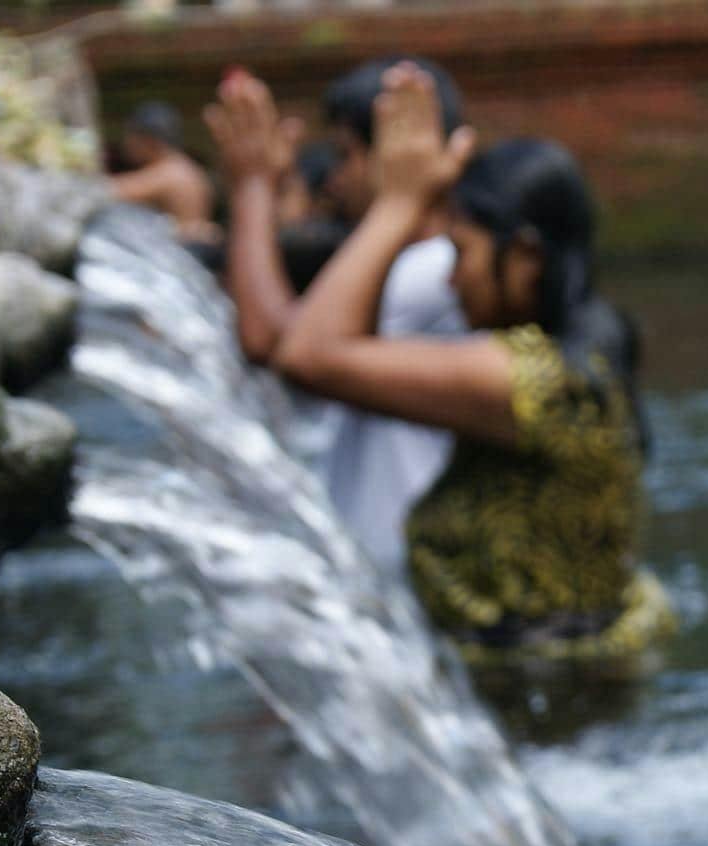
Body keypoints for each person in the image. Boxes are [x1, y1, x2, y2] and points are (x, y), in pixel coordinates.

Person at [272, 65, 672, 663]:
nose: (451, 278)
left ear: (527, 256)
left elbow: (307, 355)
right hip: (545, 692)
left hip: (539, 705)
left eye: (462, 254)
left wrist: (400, 203)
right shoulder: (575, 352)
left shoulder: (527, 380)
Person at [206, 59, 466, 573]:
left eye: (347, 156)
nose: (335, 180)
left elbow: (274, 340)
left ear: (394, 156)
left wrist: (253, 186)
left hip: (411, 580)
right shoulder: (401, 266)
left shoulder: (435, 272)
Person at [109, 100, 217, 240]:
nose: (126, 144)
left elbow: (108, 192)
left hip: (182, 252)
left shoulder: (171, 172)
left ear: (149, 140)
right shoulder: (184, 166)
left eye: (131, 138)